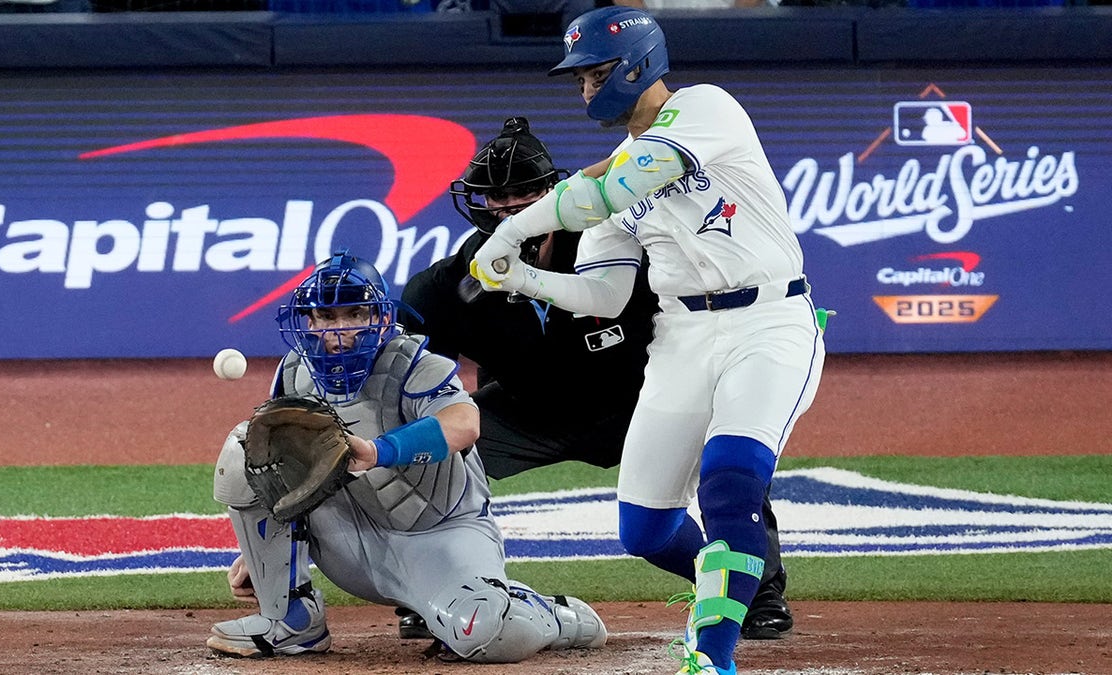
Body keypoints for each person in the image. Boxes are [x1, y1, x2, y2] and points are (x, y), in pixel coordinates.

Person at [468, 7, 826, 675]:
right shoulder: (606, 186)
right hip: (682, 336)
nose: (585, 89)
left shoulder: (704, 109)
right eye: (579, 78)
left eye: (595, 73)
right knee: (644, 528)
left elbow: (616, 184)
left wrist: (511, 233)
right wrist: (526, 277)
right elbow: (603, 294)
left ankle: (711, 653)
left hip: (768, 323)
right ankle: (727, 579)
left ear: (637, 64)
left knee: (729, 482)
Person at [397, 116, 796, 642]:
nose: (507, 206)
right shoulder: (446, 286)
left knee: (723, 457)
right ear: (474, 202)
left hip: (641, 403)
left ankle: (758, 591)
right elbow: (411, 381)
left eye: (523, 192)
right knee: (434, 458)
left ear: (551, 192)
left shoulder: (613, 243)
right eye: (493, 195)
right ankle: (437, 591)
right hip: (530, 413)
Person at [207, 251, 607, 663]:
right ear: (309, 322)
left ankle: (547, 612)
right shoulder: (294, 372)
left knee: (483, 633)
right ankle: (290, 620)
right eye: (327, 316)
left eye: (355, 313)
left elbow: (464, 423)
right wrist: (267, 556)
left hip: (439, 536)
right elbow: (286, 473)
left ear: (378, 317)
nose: (340, 329)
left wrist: (381, 451)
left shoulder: (414, 363)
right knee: (242, 450)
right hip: (350, 539)